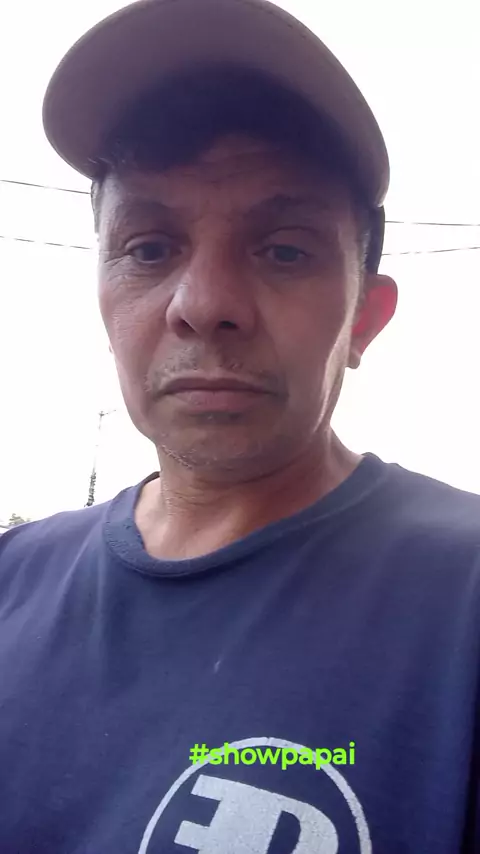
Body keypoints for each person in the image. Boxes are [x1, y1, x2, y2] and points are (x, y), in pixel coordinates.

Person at [1, 0, 479, 851]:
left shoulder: (460, 604)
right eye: (149, 248)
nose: (205, 304)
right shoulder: (11, 582)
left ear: (364, 320)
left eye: (284, 249)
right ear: (103, 294)